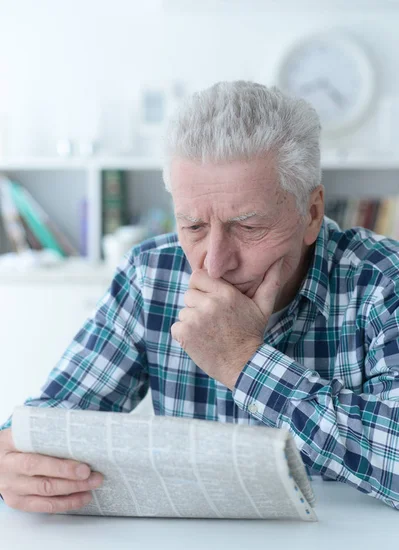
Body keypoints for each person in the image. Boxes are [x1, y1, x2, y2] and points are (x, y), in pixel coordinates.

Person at [1, 81, 399, 514]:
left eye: (248, 228)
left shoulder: (381, 283)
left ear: (312, 212)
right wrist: (14, 464)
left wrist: (243, 362)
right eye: (193, 227)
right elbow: (51, 422)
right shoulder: (151, 275)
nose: (214, 264)